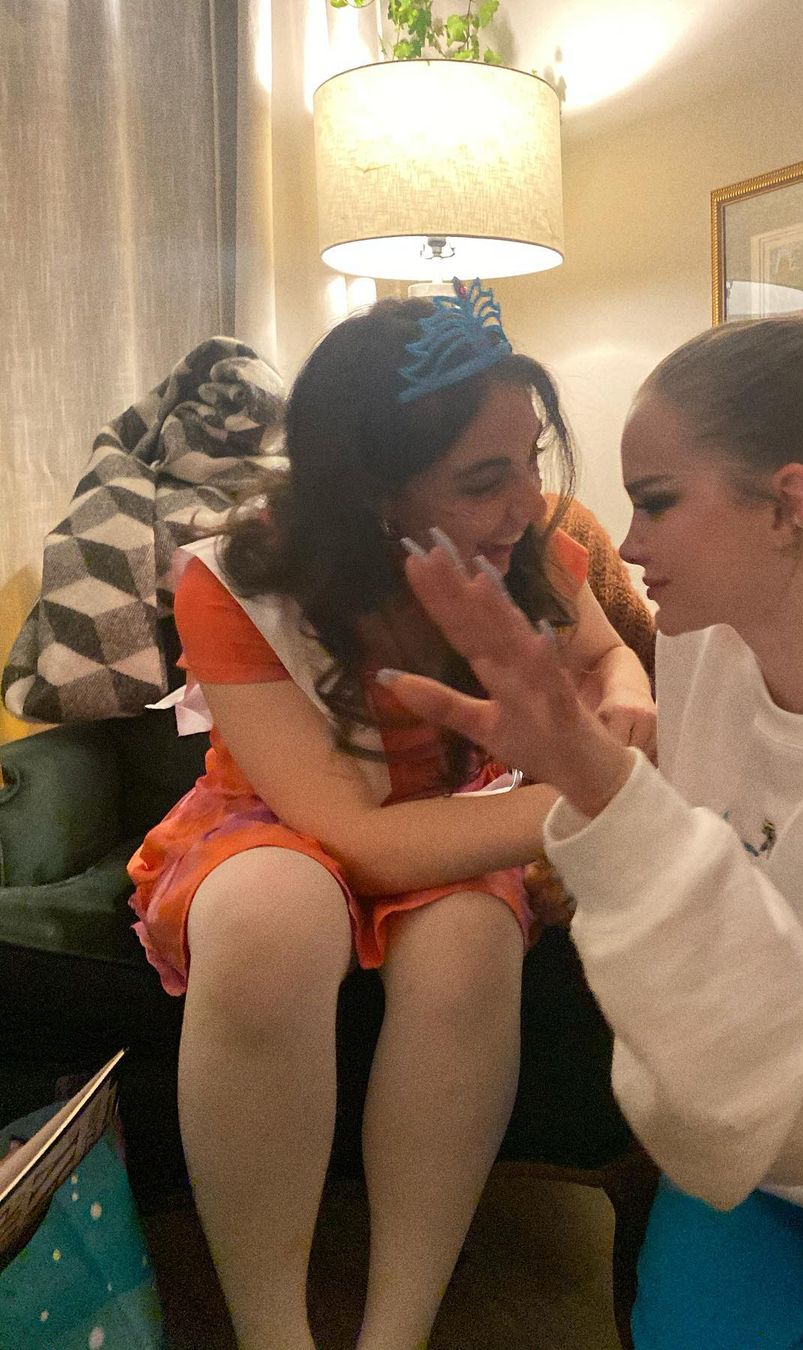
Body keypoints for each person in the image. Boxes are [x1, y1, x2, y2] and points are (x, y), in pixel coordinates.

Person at [384, 275, 803, 1349]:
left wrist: (603, 789)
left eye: (656, 500)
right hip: (748, 1144)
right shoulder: (702, 648)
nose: (627, 544)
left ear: (788, 505)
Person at [126, 280, 655, 1350]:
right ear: (372, 489)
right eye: (484, 480)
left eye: (532, 462)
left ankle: (394, 1335)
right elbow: (354, 837)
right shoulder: (240, 582)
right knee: (271, 918)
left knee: (469, 943)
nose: (528, 504)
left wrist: (626, 695)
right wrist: (606, 797)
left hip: (455, 810)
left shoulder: (530, 552)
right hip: (278, 819)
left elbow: (606, 653)